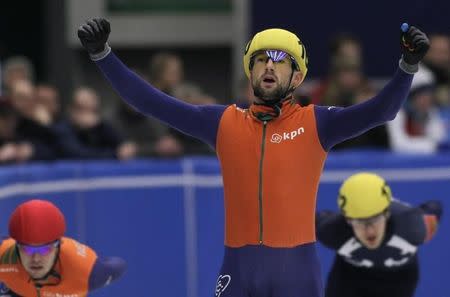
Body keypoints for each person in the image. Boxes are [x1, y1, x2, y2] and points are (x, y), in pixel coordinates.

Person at [77, 18, 429, 297]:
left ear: (298, 76)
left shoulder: (317, 123)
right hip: (239, 269)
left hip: (297, 273)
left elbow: (381, 111)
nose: (269, 67)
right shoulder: (222, 122)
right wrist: (103, 56)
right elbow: (151, 102)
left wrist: (407, 66)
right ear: (251, 71)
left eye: (280, 61)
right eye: (261, 60)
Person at [316, 172, 442, 297]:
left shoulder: (414, 228)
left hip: (399, 281)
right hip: (349, 279)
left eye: (375, 219)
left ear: (387, 213)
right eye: (360, 221)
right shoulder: (331, 232)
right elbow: (314, 218)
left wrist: (410, 212)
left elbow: (435, 207)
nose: (369, 230)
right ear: (348, 220)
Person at [0, 199, 126, 296]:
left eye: (45, 250)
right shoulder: (3, 255)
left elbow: (119, 266)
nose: (36, 258)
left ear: (58, 247)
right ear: (16, 247)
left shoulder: (87, 272)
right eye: (28, 250)